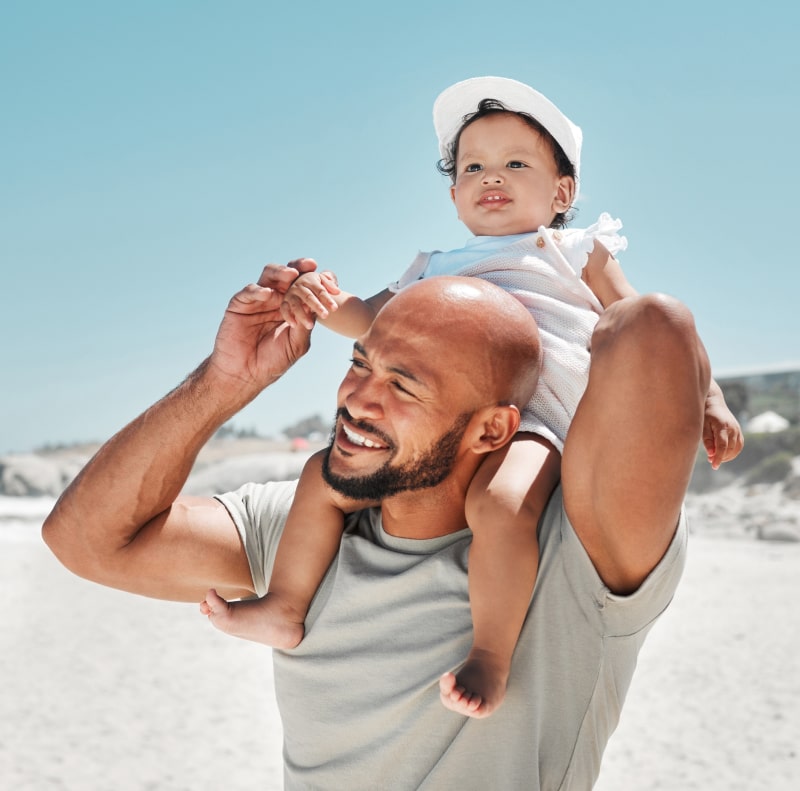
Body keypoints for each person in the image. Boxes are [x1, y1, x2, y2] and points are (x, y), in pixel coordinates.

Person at [44, 272, 730, 788]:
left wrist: (567, 294)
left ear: (492, 429)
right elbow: (86, 540)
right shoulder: (306, 530)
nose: (357, 399)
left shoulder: (571, 562)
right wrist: (223, 383)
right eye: (360, 364)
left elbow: (653, 330)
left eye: (405, 385)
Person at [200, 76, 743, 718]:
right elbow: (372, 316)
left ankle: (491, 653)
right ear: (454, 192)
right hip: (451, 421)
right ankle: (286, 606)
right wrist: (322, 301)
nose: (494, 176)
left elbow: (650, 325)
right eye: (474, 166)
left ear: (561, 192)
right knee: (321, 475)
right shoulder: (434, 268)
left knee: (502, 502)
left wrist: (709, 398)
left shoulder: (572, 249)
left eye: (517, 163)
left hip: (538, 419)